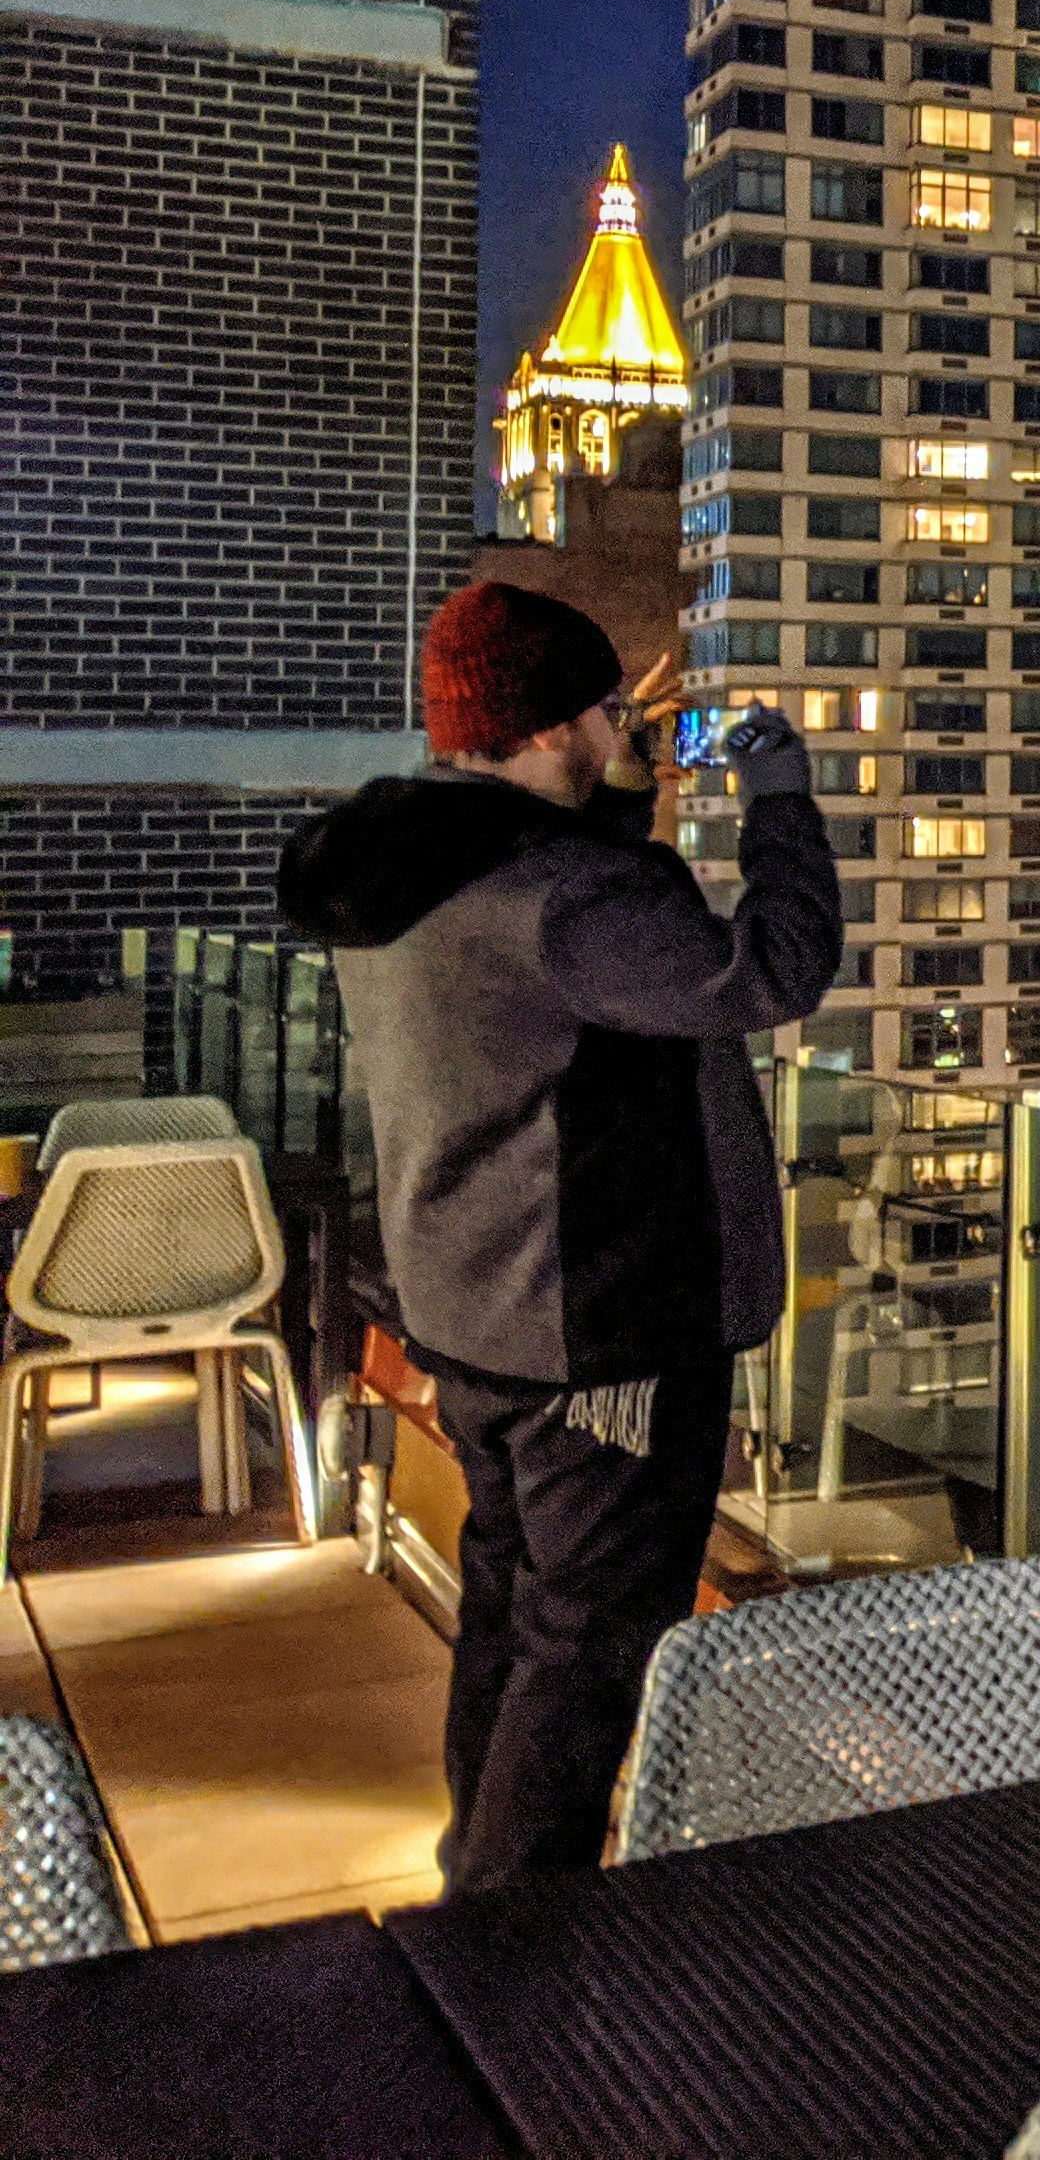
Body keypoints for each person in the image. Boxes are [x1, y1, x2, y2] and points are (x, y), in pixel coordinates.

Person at [276, 581, 837, 1890]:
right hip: (605, 1338)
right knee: (587, 1656)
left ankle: (473, 1889)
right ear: (538, 732)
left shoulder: (404, 866)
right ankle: (516, 1951)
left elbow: (573, 962)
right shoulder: (574, 898)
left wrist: (617, 777)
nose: (619, 729)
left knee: (514, 1614)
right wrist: (781, 790)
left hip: (474, 1311)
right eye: (600, 712)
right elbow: (774, 969)